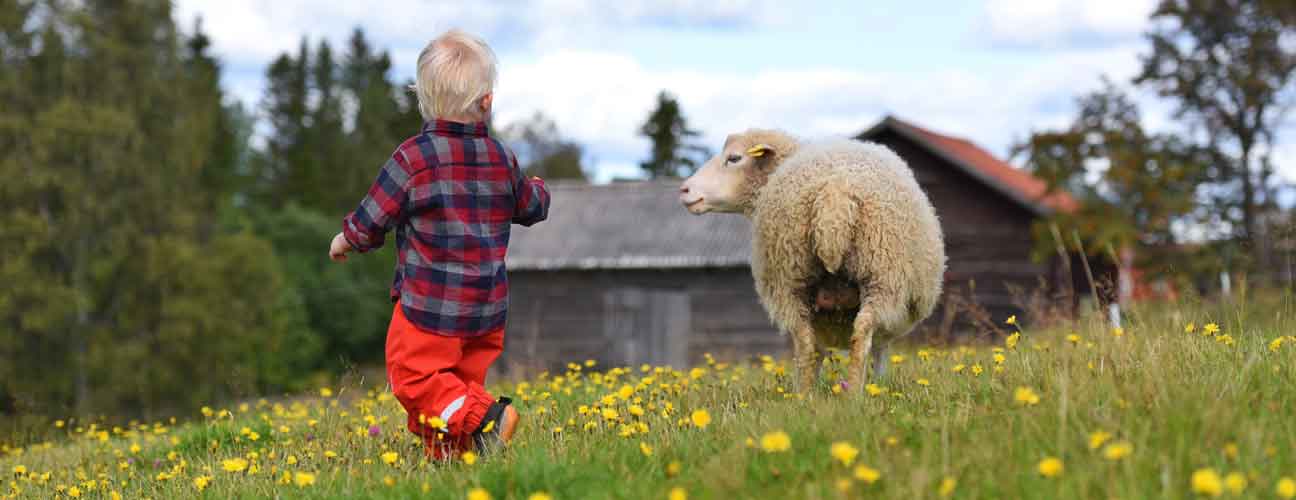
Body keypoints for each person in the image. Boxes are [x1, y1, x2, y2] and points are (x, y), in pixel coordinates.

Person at [327, 29, 550, 460]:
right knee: (457, 388)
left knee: (414, 378)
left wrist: (345, 239)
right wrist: (540, 188)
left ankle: (488, 418)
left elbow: (371, 219)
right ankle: (453, 462)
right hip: (487, 311)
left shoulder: (413, 158)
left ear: (422, 98)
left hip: (430, 309)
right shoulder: (502, 158)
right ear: (486, 101)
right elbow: (531, 204)